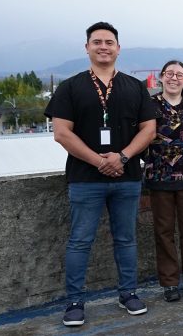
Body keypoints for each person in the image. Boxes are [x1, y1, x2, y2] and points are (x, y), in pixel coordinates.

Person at [45, 22, 156, 327]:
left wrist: (121, 156)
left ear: (118, 48)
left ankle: (129, 293)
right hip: (85, 179)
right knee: (80, 241)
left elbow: (149, 129)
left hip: (127, 176)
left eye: (109, 42)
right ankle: (75, 302)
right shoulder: (70, 86)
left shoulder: (134, 87)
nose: (104, 47)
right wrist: (99, 161)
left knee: (126, 239)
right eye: (97, 42)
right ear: (87, 48)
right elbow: (61, 133)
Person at [143, 60, 183, 302]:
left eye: (180, 75)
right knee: (164, 232)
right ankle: (169, 283)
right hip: (159, 178)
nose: (174, 78)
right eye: (169, 73)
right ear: (161, 77)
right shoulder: (149, 105)